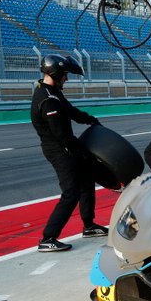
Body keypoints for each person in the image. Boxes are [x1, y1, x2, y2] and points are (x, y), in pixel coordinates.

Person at [31, 54, 107, 253]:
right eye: (64, 74)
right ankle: (48, 238)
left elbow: (70, 111)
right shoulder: (47, 99)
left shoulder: (53, 92)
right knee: (71, 193)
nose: (67, 78)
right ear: (55, 73)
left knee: (86, 181)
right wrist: (84, 152)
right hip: (59, 150)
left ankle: (89, 226)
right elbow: (62, 136)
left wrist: (90, 119)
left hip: (65, 146)